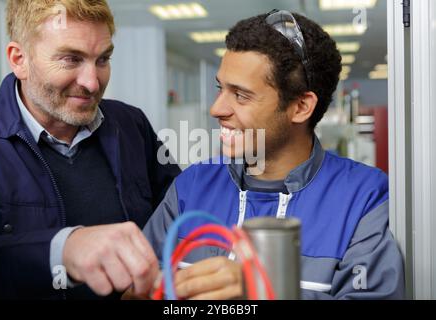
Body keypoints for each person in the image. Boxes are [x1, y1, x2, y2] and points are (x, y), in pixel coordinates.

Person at [143, 10, 405, 299]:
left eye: (241, 95)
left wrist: (260, 291)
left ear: (301, 107)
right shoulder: (191, 187)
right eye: (221, 88)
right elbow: (141, 288)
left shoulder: (363, 197)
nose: (216, 109)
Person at [0, 0, 180, 299]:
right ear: (18, 59)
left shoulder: (132, 124)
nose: (92, 83)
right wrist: (62, 249)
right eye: (71, 59)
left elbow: (178, 213)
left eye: (102, 60)